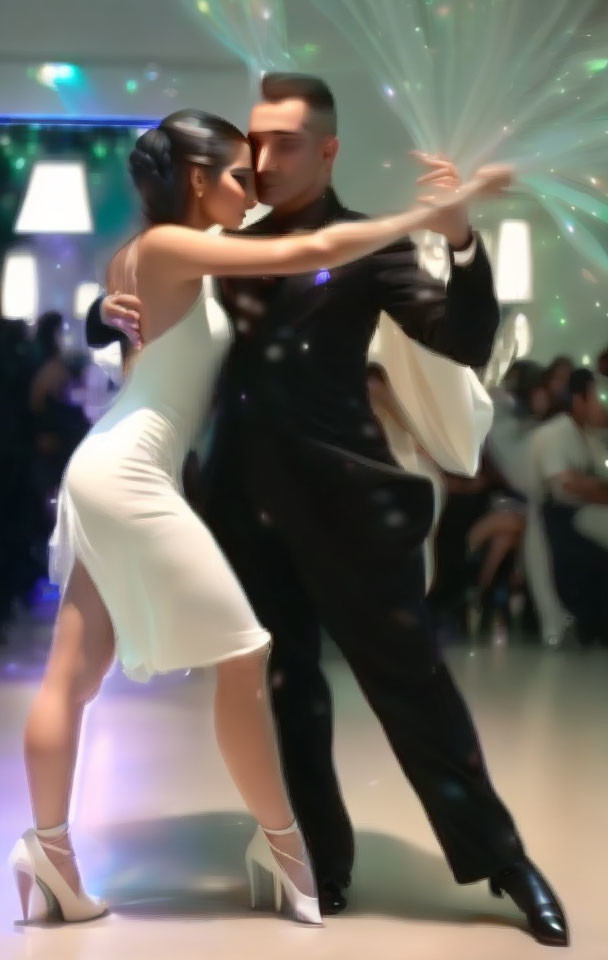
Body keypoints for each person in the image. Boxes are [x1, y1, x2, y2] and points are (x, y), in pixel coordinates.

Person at [89, 74, 567, 947]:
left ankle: (505, 863)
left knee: (413, 687)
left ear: (329, 149)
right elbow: (145, 288)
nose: (265, 160)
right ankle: (321, 859)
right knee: (287, 691)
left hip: (353, 504)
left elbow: (462, 341)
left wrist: (460, 241)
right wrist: (101, 310)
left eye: (286, 143)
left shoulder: (369, 249)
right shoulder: (228, 239)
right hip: (242, 508)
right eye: (257, 143)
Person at [531, 368, 608, 643]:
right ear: (579, 401)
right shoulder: (556, 435)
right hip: (556, 519)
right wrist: (592, 486)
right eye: (598, 399)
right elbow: (565, 486)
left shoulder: (589, 439)